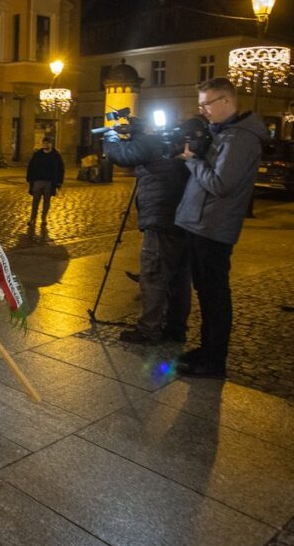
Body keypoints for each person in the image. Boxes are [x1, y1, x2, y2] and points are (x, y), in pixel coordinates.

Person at [174, 77, 266, 378]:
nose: (203, 111)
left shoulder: (240, 138)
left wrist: (192, 160)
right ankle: (207, 349)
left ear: (226, 101)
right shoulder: (224, 133)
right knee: (206, 292)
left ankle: (214, 360)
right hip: (202, 223)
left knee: (214, 296)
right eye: (200, 104)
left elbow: (221, 184)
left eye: (207, 104)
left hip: (213, 227)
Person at [104, 119, 199, 344]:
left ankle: (149, 330)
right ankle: (176, 328)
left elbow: (120, 155)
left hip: (161, 220)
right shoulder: (179, 143)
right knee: (180, 279)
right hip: (185, 221)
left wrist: (110, 136)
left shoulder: (152, 142)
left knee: (153, 276)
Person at [26, 137, 64, 225]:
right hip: (38, 181)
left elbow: (61, 169)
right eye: (44, 143)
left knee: (47, 201)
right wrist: (29, 179)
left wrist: (59, 183)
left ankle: (43, 218)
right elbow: (30, 167)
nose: (46, 145)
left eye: (48, 143)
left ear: (51, 144)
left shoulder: (56, 155)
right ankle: (32, 219)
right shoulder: (37, 154)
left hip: (50, 182)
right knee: (35, 201)